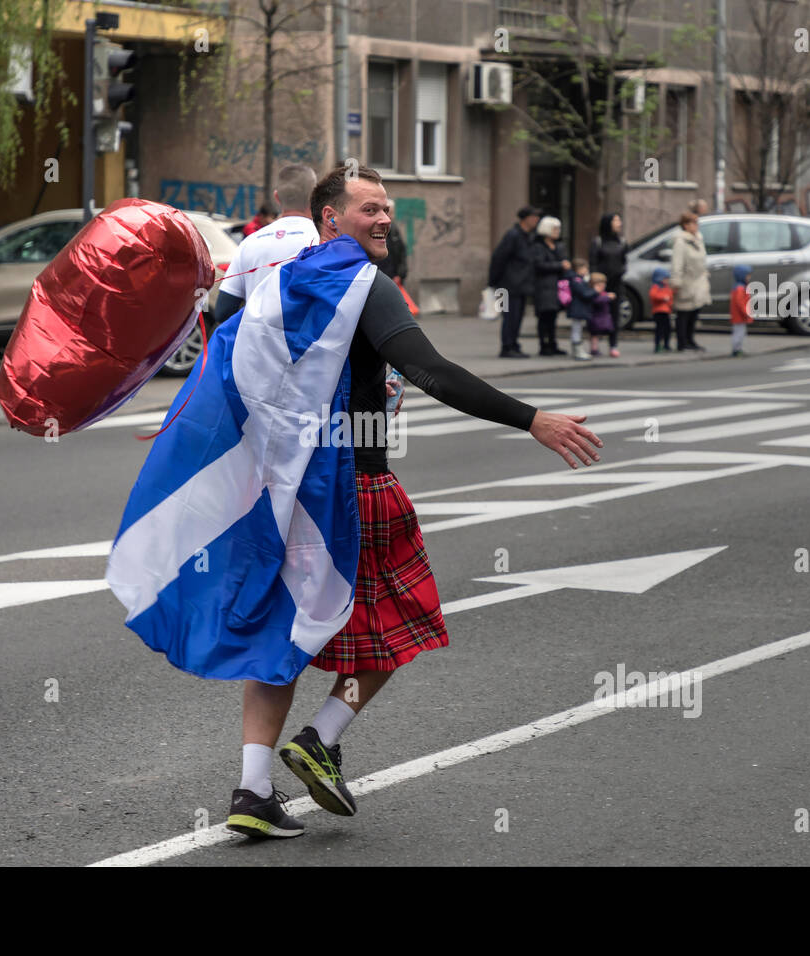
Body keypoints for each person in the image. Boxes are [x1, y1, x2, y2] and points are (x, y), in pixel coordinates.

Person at [227, 166, 603, 838]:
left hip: (280, 491)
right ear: (329, 217)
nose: (383, 220)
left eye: (386, 210)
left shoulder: (281, 282)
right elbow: (432, 370)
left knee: (278, 639)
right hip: (354, 488)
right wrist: (532, 419)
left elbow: (224, 362)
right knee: (402, 620)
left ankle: (252, 792)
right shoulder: (365, 285)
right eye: (369, 208)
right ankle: (321, 736)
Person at [215, 166, 318, 318]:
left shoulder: (249, 243)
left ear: (277, 197)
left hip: (253, 341)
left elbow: (223, 311)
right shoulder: (323, 241)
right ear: (315, 196)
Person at [488, 205, 541, 358]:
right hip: (508, 285)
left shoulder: (528, 236)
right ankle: (507, 347)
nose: (537, 220)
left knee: (517, 317)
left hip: (522, 285)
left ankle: (514, 344)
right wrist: (493, 282)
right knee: (510, 317)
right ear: (526, 219)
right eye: (534, 217)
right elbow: (499, 258)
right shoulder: (513, 235)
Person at [670, 211, 710, 352]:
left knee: (694, 312)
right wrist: (676, 282)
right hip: (686, 281)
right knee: (683, 313)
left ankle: (690, 339)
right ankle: (682, 342)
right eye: (693, 223)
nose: (696, 226)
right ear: (685, 225)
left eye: (696, 223)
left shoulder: (698, 239)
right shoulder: (680, 242)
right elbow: (677, 264)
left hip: (698, 281)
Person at [531, 216, 571, 355]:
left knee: (553, 317)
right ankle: (544, 345)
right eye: (555, 228)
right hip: (543, 286)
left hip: (556, 287)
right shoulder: (538, 246)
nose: (558, 231)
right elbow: (539, 265)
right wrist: (560, 265)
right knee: (544, 317)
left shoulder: (559, 246)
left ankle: (553, 344)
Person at [588, 213, 627, 358]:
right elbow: (593, 262)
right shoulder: (598, 242)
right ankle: (594, 343)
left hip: (616, 283)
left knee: (614, 314)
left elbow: (624, 261)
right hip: (600, 284)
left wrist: (622, 271)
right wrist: (594, 282)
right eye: (615, 220)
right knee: (597, 314)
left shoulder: (622, 242)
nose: (619, 223)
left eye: (619, 220)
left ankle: (613, 344)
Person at [566, 258, 594, 361]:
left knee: (577, 328)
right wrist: (595, 291)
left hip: (578, 308)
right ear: (578, 269)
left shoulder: (578, 279)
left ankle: (577, 350)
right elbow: (584, 293)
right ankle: (577, 350)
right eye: (585, 268)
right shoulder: (576, 280)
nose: (586, 270)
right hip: (577, 308)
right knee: (576, 329)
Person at [376, 198, 408, 282]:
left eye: (391, 213)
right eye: (387, 212)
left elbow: (401, 253)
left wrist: (400, 275)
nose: (390, 216)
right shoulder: (374, 230)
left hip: (392, 277)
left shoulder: (394, 231)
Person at [586, 272, 616, 357]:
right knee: (594, 334)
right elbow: (597, 301)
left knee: (602, 333)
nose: (602, 286)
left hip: (603, 317)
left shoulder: (603, 293)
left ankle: (611, 348)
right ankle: (594, 349)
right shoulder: (593, 294)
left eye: (603, 284)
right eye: (599, 285)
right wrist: (607, 297)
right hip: (595, 318)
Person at [729, 264, 754, 357]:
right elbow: (740, 303)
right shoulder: (740, 288)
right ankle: (736, 350)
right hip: (739, 316)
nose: (749, 278)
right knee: (739, 333)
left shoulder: (741, 287)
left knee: (741, 333)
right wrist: (746, 312)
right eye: (747, 275)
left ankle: (738, 349)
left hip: (740, 316)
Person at [649, 267, 674, 353]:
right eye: (665, 278)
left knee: (668, 329)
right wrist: (663, 298)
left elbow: (670, 296)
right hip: (658, 312)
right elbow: (653, 295)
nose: (667, 280)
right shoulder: (656, 287)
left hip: (666, 311)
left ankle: (666, 345)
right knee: (659, 329)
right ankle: (657, 346)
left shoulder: (667, 287)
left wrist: (670, 303)